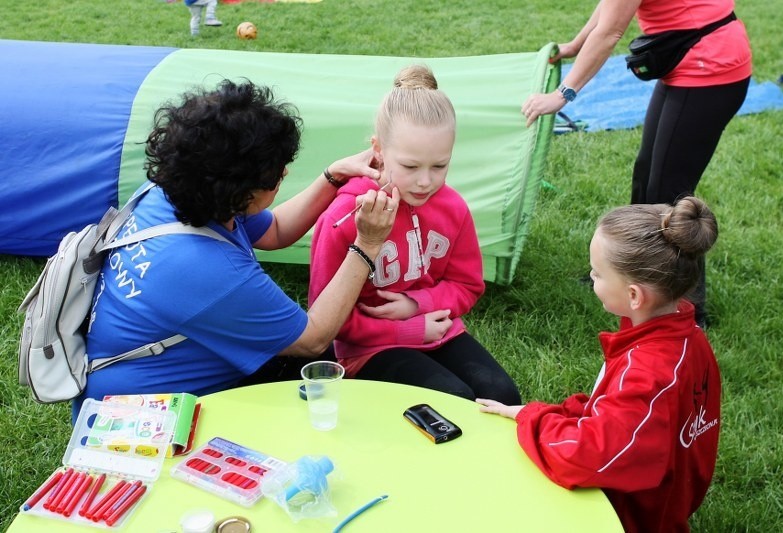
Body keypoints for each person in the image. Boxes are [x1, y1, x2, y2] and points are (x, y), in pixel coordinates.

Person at [75, 79, 399, 420]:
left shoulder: (171, 193)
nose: (285, 172)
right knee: (317, 373)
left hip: (113, 390)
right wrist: (368, 243)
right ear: (241, 191)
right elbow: (313, 338)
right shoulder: (207, 270)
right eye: (277, 175)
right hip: (139, 424)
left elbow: (274, 231)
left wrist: (332, 176)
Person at [477, 197, 721, 532]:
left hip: (631, 517)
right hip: (663, 498)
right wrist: (562, 414)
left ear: (634, 296)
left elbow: (583, 456)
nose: (592, 280)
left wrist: (532, 417)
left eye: (596, 273)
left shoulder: (646, 371)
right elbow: (617, 417)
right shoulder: (687, 335)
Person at [521, 0, 751, 328]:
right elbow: (610, 7)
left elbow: (611, 31)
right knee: (646, 178)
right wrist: (576, 44)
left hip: (709, 67)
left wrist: (562, 94)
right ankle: (626, 274)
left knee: (669, 196)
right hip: (690, 60)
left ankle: (688, 311)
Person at [308, 65, 521, 405]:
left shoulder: (453, 208)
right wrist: (409, 329)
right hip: (368, 348)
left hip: (438, 329)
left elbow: (467, 285)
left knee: (503, 395)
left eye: (440, 166)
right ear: (378, 150)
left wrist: (418, 305)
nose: (425, 181)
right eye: (410, 166)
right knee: (452, 399)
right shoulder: (345, 216)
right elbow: (327, 318)